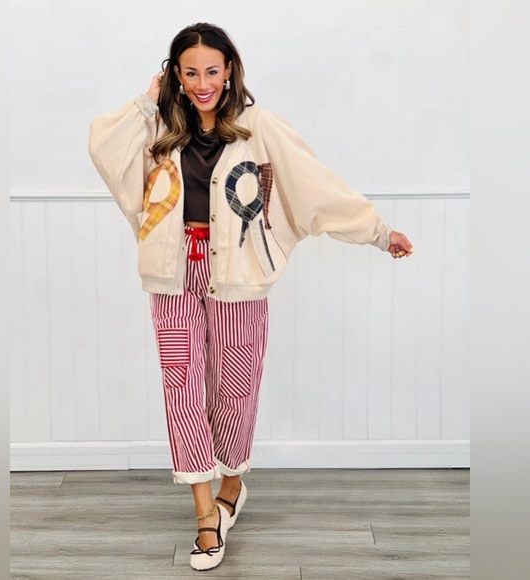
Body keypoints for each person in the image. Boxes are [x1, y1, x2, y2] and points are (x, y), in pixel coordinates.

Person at [88, 22, 414, 571]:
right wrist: (147, 101)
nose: (202, 84)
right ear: (175, 75)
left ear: (230, 70)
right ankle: (205, 518)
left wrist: (379, 233)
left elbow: (315, 184)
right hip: (173, 271)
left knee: (235, 389)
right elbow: (103, 145)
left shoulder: (258, 128)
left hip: (237, 276)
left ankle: (232, 485)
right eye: (190, 73)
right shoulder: (161, 127)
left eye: (211, 71)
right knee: (182, 389)